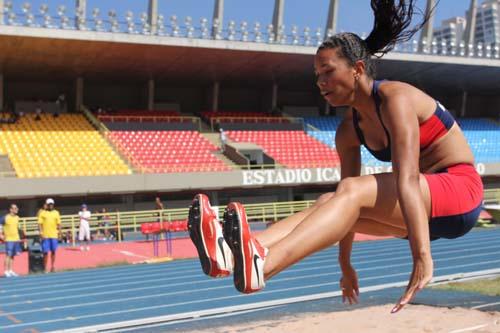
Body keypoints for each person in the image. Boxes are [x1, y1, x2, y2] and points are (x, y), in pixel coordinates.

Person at [188, 0, 483, 314]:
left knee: (350, 191)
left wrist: (421, 255)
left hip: (459, 193)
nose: (320, 83)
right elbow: (345, 209)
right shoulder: (347, 131)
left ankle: (263, 264)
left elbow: (406, 179)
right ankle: (232, 257)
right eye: (317, 75)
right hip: (424, 209)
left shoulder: (397, 99)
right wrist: (345, 265)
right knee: (327, 201)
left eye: (327, 72)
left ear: (357, 70)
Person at [38, 198, 61, 273]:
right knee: (45, 252)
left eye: (52, 204)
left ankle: (52, 266)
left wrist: (59, 233)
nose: (50, 205)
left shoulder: (56, 213)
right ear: (47, 205)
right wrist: (41, 233)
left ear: (53, 204)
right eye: (49, 204)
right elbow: (40, 224)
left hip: (54, 235)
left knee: (53, 251)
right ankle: (45, 268)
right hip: (46, 236)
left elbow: (59, 224)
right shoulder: (42, 213)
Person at [0, 204, 21, 277]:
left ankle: (10, 270)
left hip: (16, 239)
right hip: (9, 239)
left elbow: (17, 228)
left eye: (16, 208)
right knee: (8, 255)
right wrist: (1, 234)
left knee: (12, 255)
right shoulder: (5, 218)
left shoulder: (17, 217)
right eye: (15, 208)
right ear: (10, 209)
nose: (16, 209)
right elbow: (0, 225)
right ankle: (6, 271)